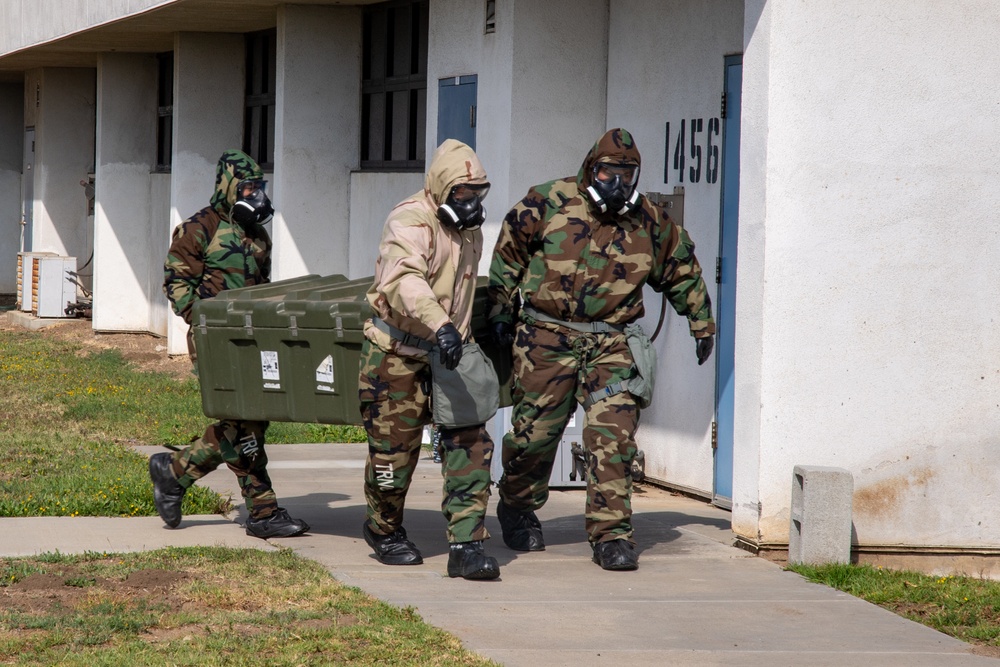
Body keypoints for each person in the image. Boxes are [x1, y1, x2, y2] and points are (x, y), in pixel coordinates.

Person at [487, 128, 715, 571]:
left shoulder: (648, 219)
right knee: (533, 437)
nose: (617, 182)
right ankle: (516, 507)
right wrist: (500, 309)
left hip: (613, 341)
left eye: (627, 174)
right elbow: (508, 254)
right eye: (609, 171)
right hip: (546, 338)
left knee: (613, 437)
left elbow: (680, 267)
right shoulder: (548, 200)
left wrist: (700, 321)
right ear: (592, 167)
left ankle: (612, 535)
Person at [149, 149, 310, 540]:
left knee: (248, 419)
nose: (256, 195)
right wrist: (202, 319)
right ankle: (262, 510)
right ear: (228, 186)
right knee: (244, 421)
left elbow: (263, 286)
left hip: (252, 340)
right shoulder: (198, 228)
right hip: (214, 341)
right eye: (249, 187)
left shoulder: (257, 232)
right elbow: (176, 283)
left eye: (260, 187)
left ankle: (173, 472)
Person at [359, 139, 500, 581]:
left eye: (477, 194)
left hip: (451, 352)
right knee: (393, 456)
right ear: (441, 189)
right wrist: (439, 323)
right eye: (462, 194)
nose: (471, 203)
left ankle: (466, 544)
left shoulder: (468, 229)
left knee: (471, 445)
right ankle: (384, 530)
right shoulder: (410, 219)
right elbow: (404, 278)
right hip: (397, 353)